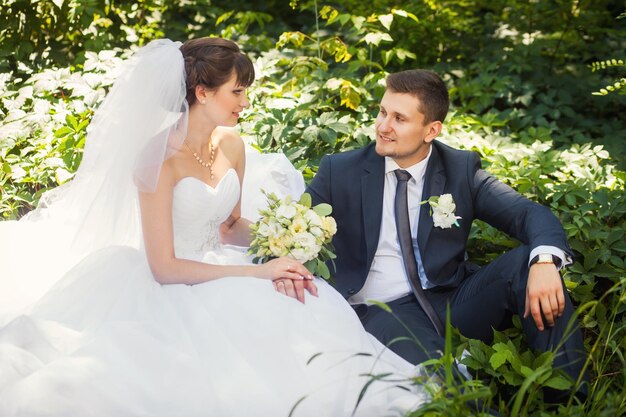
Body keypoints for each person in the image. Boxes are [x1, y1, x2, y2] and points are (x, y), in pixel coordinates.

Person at [0, 39, 428, 416]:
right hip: (170, 284)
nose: (245, 102)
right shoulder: (158, 159)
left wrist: (284, 238)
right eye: (237, 92)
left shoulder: (232, 144)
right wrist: (256, 271)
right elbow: (164, 267)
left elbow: (229, 226)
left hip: (222, 261)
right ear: (203, 93)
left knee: (303, 313)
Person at [306, 69, 588, 401]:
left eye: (399, 118)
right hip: (381, 309)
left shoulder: (459, 169)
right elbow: (295, 232)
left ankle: (570, 400)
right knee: (442, 383)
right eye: (382, 112)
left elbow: (527, 213)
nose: (383, 126)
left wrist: (544, 262)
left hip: (451, 299)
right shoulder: (339, 171)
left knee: (531, 263)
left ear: (431, 130)